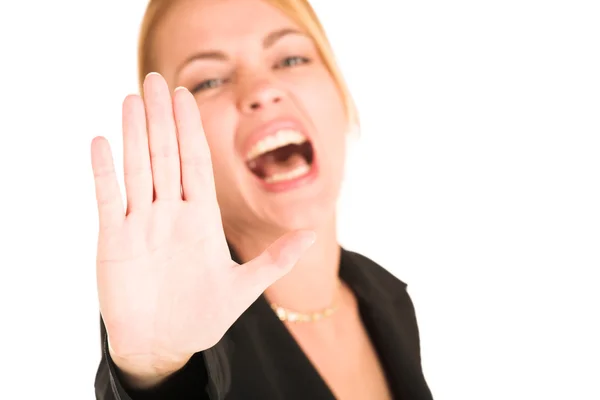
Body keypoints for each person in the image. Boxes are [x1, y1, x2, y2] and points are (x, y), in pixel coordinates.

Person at [92, 0, 433, 398]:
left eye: (290, 59)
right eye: (209, 81)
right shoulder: (192, 345)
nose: (262, 91)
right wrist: (153, 376)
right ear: (170, 140)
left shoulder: (386, 298)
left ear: (340, 94)